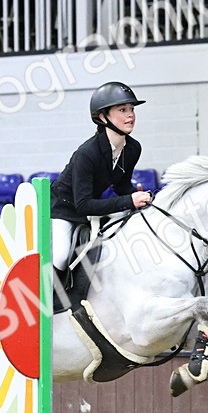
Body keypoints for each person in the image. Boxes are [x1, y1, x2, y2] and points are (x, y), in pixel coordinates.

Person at [50, 81, 152, 274]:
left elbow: (122, 186)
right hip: (64, 208)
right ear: (102, 117)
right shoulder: (87, 154)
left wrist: (140, 197)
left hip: (90, 205)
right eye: (122, 109)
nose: (130, 115)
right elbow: (83, 205)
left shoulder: (133, 148)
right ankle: (54, 300)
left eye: (132, 109)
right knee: (61, 257)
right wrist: (130, 200)